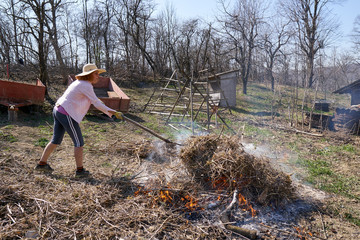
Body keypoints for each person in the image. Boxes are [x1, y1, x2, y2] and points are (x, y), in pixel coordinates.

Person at [34, 63, 122, 178]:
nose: (98, 76)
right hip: (66, 113)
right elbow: (96, 103)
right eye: (96, 74)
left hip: (59, 110)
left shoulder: (80, 83)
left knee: (55, 140)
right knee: (79, 142)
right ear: (89, 74)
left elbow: (94, 100)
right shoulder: (85, 85)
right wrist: (113, 112)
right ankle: (80, 172)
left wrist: (107, 109)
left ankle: (42, 164)